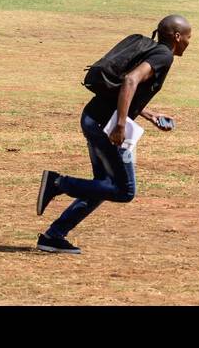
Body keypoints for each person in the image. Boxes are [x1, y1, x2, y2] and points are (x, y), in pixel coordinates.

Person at [35, 15, 191, 254]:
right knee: (123, 190)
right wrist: (119, 125)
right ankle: (58, 183)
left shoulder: (153, 50)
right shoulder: (164, 55)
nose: (190, 42)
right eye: (189, 36)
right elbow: (130, 80)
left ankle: (54, 235)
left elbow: (125, 88)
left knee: (102, 185)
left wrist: (147, 114)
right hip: (105, 128)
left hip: (95, 119)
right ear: (177, 37)